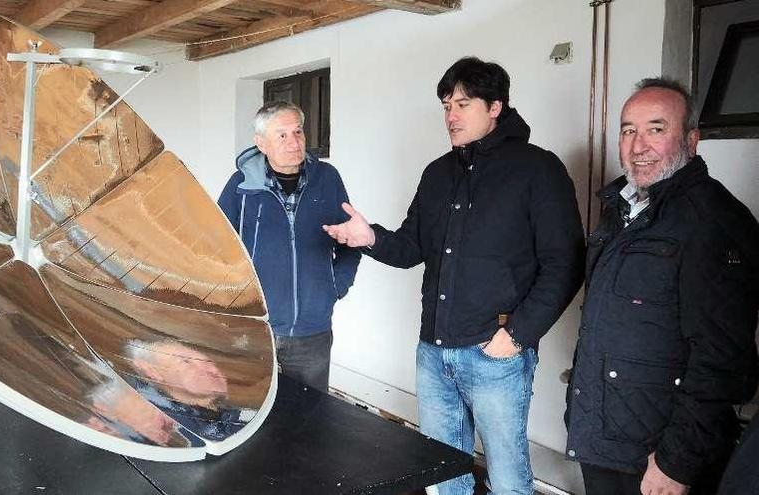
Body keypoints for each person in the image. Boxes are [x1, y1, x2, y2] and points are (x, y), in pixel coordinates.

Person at [323, 56, 585, 494]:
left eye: (462, 104)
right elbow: (411, 249)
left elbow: (566, 262)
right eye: (447, 105)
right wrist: (370, 238)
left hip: (495, 354)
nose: (451, 116)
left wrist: (517, 336)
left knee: (507, 476)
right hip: (434, 354)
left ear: (495, 107)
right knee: (442, 473)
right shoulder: (438, 174)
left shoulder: (538, 169)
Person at [565, 78, 759, 495]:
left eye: (656, 129)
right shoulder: (623, 209)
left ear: (691, 139)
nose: (638, 146)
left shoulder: (712, 221)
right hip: (606, 439)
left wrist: (677, 462)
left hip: (659, 459)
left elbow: (722, 360)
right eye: (627, 130)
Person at [218, 101, 360, 392]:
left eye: (298, 132)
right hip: (254, 328)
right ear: (261, 143)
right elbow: (218, 247)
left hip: (311, 330)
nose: (294, 142)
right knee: (250, 411)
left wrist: (336, 285)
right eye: (281, 134)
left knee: (309, 419)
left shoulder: (327, 179)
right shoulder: (241, 186)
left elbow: (352, 237)